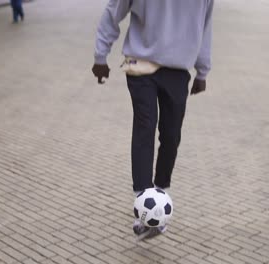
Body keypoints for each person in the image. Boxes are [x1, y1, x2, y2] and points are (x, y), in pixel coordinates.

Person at [92, 0, 213, 240]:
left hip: (178, 70)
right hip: (140, 64)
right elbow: (113, 11)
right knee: (145, 129)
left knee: (171, 135)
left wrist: (203, 70)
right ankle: (143, 204)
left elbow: (205, 25)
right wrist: (100, 56)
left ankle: (160, 192)